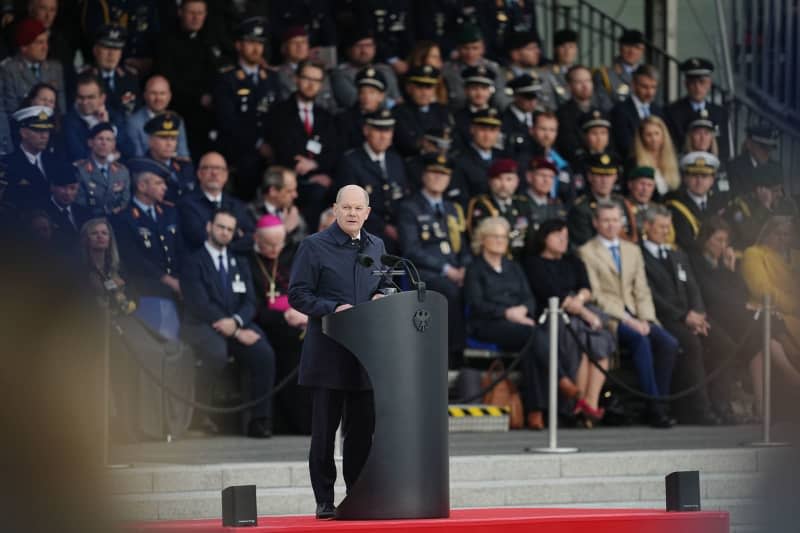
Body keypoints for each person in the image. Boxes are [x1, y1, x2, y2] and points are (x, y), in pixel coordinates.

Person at [288, 185, 388, 519]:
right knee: (324, 433)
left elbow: (385, 283)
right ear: (335, 209)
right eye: (346, 207)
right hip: (328, 352)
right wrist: (335, 308)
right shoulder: (313, 247)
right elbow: (298, 295)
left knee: (361, 432)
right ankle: (325, 500)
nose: (352, 213)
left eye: (359, 208)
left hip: (365, 356)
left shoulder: (377, 246)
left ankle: (358, 496)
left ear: (367, 212)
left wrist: (383, 296)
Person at [578, 201, 678, 427]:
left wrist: (646, 319)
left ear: (622, 222)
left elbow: (641, 289)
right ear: (596, 223)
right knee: (640, 341)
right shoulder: (586, 251)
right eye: (605, 220)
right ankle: (655, 409)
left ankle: (661, 402)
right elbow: (596, 295)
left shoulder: (632, 250)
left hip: (638, 314)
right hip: (611, 317)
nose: (611, 225)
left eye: (615, 220)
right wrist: (628, 320)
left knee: (669, 343)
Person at [690, 216, 800, 417]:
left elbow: (738, 290)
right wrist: (743, 306)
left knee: (762, 337)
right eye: (718, 240)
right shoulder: (697, 261)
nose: (723, 246)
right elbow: (712, 294)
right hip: (716, 314)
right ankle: (793, 377)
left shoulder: (722, 262)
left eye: (726, 241)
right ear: (706, 240)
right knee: (768, 323)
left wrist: (730, 268)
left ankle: (762, 404)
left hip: (736, 314)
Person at [181, 208, 276, 438]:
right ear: (209, 227)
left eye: (230, 230)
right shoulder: (193, 261)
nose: (224, 233)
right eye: (220, 227)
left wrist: (236, 323)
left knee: (263, 353)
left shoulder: (239, 262)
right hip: (202, 324)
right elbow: (198, 303)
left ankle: (259, 421)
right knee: (216, 352)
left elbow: (251, 301)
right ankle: (200, 418)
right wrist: (233, 330)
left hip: (236, 323)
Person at [640, 205, 727, 424]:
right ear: (647, 226)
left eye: (668, 226)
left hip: (691, 316)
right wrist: (684, 316)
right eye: (661, 226)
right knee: (692, 344)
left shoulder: (677, 253)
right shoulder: (638, 255)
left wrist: (699, 314)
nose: (666, 231)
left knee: (724, 344)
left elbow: (693, 288)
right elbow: (650, 294)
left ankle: (721, 404)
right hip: (665, 317)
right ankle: (700, 410)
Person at [523, 219, 613, 426]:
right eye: (558, 236)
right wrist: (582, 311)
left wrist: (580, 302)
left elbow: (586, 288)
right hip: (553, 315)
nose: (563, 241)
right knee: (580, 336)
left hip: (578, 311)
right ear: (544, 238)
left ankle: (590, 402)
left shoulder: (574, 261)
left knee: (598, 338)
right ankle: (574, 402)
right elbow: (548, 293)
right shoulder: (533, 263)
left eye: (565, 236)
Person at [464, 216, 547, 429]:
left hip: (518, 323)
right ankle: (560, 385)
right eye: (495, 236)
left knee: (530, 347)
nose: (501, 241)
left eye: (504, 237)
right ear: (482, 239)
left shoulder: (513, 267)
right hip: (488, 324)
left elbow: (529, 298)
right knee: (532, 336)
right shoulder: (475, 268)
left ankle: (536, 411)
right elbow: (477, 304)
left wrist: (522, 310)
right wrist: (507, 313)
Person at [397, 153, 470, 367]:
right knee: (450, 292)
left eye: (444, 175)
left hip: (456, 272)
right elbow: (411, 249)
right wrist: (447, 269)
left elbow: (463, 247)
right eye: (434, 173)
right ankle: (453, 355)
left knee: (478, 288)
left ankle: (471, 351)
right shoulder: (410, 207)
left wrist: (465, 268)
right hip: (424, 273)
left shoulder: (453, 209)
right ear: (424, 176)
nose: (439, 179)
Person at [248, 214, 311, 435]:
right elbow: (251, 305)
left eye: (279, 244)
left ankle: (306, 420)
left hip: (292, 323)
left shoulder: (288, 258)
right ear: (257, 238)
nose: (275, 249)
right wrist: (283, 316)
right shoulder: (247, 260)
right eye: (269, 244)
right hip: (264, 323)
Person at [264, 60, 339, 226]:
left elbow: (333, 151)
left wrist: (316, 164)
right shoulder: (279, 112)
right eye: (306, 78)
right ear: (296, 79)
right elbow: (281, 148)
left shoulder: (325, 116)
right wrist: (306, 168)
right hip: (290, 179)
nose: (311, 84)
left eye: (316, 80)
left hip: (320, 175)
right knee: (316, 194)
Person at [214, 16, 281, 199]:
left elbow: (278, 116)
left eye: (260, 43)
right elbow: (228, 121)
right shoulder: (227, 78)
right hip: (241, 152)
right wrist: (258, 144)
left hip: (270, 151)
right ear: (238, 45)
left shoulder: (272, 78)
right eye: (251, 42)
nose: (256, 48)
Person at [155, 0, 229, 158]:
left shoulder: (210, 38)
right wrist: (198, 97)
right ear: (180, 12)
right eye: (191, 13)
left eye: (200, 13)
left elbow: (220, 71)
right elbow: (168, 79)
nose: (196, 18)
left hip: (210, 110)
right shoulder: (167, 40)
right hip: (181, 109)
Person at [111, 158, 182, 311]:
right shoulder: (124, 218)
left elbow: (180, 249)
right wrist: (168, 280)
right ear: (142, 186)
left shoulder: (170, 213)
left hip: (178, 288)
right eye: (158, 183)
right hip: (146, 290)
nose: (164, 188)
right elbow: (133, 258)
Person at [336, 109, 408, 252]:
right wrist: (385, 228)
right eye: (378, 130)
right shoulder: (351, 161)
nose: (383, 136)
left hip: (399, 229)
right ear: (366, 130)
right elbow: (351, 205)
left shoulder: (395, 160)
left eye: (387, 131)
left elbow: (403, 197)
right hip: (367, 231)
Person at [0, 17, 65, 153]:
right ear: (24, 46)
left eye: (46, 42)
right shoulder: (9, 70)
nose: (45, 47)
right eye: (39, 42)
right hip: (21, 136)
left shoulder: (55, 68)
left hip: (51, 137)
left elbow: (61, 110)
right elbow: (10, 111)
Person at [741, 216, 800, 358]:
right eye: (777, 233)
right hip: (769, 312)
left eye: (786, 234)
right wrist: (794, 306)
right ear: (767, 233)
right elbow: (762, 289)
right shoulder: (754, 253)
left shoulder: (797, 256)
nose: (781, 238)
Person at [177, 151, 253, 254]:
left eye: (219, 169)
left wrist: (219, 241)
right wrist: (236, 234)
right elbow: (199, 238)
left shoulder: (237, 205)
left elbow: (251, 238)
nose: (214, 173)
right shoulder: (187, 204)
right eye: (208, 168)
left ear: (226, 175)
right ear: (199, 174)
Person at [666, 58, 731, 161]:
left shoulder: (720, 112)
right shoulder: (672, 112)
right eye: (692, 83)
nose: (697, 87)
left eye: (702, 82)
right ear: (686, 84)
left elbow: (724, 149)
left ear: (709, 84)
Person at [466, 157, 532, 258]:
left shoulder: (522, 203)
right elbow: (478, 239)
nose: (504, 185)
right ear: (490, 181)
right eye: (498, 179)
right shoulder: (482, 204)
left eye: (509, 179)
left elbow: (530, 235)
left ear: (517, 182)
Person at [567, 152, 638, 246]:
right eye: (599, 175)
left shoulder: (621, 202)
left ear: (615, 177)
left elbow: (633, 236)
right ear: (590, 177)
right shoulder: (581, 208)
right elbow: (585, 245)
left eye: (609, 175)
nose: (604, 181)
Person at [61, 72, 133, 162]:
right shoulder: (68, 122)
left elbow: (129, 151)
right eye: (81, 97)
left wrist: (107, 127)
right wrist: (110, 157)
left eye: (90, 97)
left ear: (102, 98)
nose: (85, 102)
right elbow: (79, 156)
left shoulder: (114, 116)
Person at [665, 151, 729, 252]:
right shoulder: (675, 206)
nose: (699, 181)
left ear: (712, 180)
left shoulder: (719, 203)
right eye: (694, 176)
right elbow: (685, 242)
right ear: (685, 178)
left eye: (704, 176)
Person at [1, 105, 60, 212]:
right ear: (23, 133)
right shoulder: (8, 165)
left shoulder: (56, 161)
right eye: (38, 131)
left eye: (47, 130)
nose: (45, 136)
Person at [329, 31, 401, 110]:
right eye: (358, 46)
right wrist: (391, 103)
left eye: (368, 45)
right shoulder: (340, 74)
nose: (364, 51)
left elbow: (397, 98)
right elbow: (355, 101)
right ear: (348, 50)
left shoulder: (385, 69)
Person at [392, 64, 452, 157]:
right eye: (419, 87)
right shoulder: (399, 112)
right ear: (409, 88)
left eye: (428, 87)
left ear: (434, 90)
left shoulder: (441, 110)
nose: (424, 92)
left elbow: (452, 138)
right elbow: (407, 143)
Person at [555, 65, 613, 161]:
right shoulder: (562, 114)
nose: (585, 86)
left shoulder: (602, 112)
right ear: (569, 86)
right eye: (579, 82)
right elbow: (568, 146)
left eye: (588, 81)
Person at [441, 24, 504, 111]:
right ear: (458, 48)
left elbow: (500, 100)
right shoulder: (447, 70)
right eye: (465, 48)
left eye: (475, 48)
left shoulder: (493, 68)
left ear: (483, 48)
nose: (470, 53)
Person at [126, 75, 191, 158]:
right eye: (153, 93)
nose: (158, 98)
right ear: (145, 95)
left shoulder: (177, 120)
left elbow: (183, 155)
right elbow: (138, 158)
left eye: (162, 93)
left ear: (169, 96)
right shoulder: (133, 123)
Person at [274, 26, 337, 111]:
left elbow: (331, 104)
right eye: (294, 42)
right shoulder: (278, 74)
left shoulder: (320, 71)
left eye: (303, 42)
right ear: (284, 48)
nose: (300, 46)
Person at [73, 122, 130, 216]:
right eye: (100, 139)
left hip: (117, 221)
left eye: (109, 140)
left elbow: (125, 201)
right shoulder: (80, 170)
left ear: (114, 145)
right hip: (91, 221)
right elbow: (80, 203)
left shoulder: (122, 171)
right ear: (90, 142)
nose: (104, 143)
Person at [83, 24, 140, 115]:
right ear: (95, 50)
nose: (111, 54)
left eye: (116, 48)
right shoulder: (84, 77)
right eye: (106, 48)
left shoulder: (130, 77)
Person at [610, 64, 663, 159]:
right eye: (645, 87)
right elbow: (624, 145)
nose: (650, 92)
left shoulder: (658, 110)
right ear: (633, 85)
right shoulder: (620, 111)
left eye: (653, 87)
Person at [142, 112, 196, 203]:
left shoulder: (185, 166)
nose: (169, 144)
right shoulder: (142, 169)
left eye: (173, 138)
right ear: (150, 141)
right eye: (163, 138)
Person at [248, 165, 307, 246]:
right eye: (289, 191)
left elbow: (304, 243)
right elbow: (261, 246)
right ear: (273, 191)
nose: (295, 195)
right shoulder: (250, 212)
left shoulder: (292, 211)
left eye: (295, 190)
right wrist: (285, 230)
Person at [42, 161, 92, 256]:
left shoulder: (85, 212)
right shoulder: (44, 213)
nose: (68, 193)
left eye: (72, 188)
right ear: (52, 187)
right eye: (63, 188)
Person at [455, 107, 506, 199]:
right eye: (483, 129)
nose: (487, 136)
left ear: (499, 133)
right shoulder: (460, 160)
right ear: (472, 129)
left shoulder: (503, 157)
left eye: (492, 130)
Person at [335, 66, 389, 150]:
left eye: (372, 92)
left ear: (381, 96)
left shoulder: (388, 119)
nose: (366, 97)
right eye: (363, 92)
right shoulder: (344, 119)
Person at [726, 126, 783, 198]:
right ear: (749, 144)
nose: (767, 152)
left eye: (769, 149)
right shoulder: (734, 167)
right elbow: (735, 197)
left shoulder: (776, 168)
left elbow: (780, 197)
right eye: (763, 147)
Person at [631, 116, 680, 198]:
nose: (654, 139)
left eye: (657, 133)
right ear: (642, 137)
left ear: (663, 135)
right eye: (648, 135)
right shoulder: (634, 162)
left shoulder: (673, 160)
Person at [593, 29, 646, 106]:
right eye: (628, 46)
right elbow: (605, 105)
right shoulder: (604, 75)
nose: (632, 51)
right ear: (620, 47)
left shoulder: (648, 74)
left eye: (637, 47)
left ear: (643, 51)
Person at [497, 31, 546, 110]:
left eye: (537, 48)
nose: (537, 52)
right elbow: (502, 103)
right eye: (531, 49)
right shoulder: (501, 76)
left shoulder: (541, 74)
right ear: (515, 54)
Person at [451, 65, 496, 149]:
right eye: (474, 88)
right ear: (466, 90)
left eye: (484, 88)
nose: (479, 93)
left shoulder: (499, 116)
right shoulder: (457, 117)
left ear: (491, 91)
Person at [500, 74, 541, 164]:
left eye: (535, 97)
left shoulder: (539, 118)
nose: (533, 101)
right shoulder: (503, 120)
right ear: (516, 96)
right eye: (528, 97)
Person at [523, 156, 568, 232]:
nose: (547, 180)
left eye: (551, 177)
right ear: (529, 177)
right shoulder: (520, 203)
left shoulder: (557, 204)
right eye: (542, 175)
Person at [537, 29, 579, 110]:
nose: (567, 51)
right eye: (563, 46)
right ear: (555, 49)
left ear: (576, 49)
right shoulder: (546, 72)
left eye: (571, 46)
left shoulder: (581, 72)